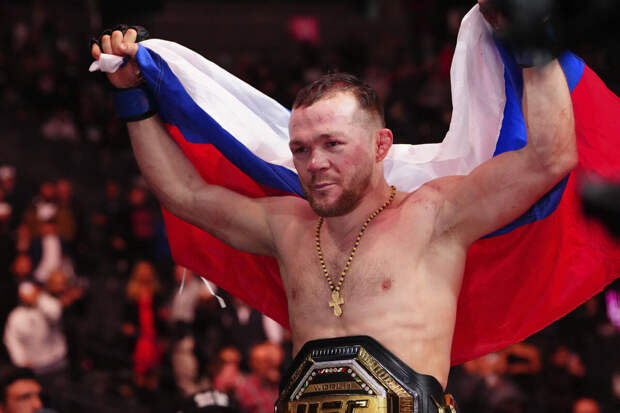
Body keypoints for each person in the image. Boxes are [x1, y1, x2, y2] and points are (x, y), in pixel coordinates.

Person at [90, 1, 579, 411]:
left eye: (332, 144)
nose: (314, 163)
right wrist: (133, 98)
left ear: (381, 145)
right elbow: (185, 194)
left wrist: (532, 38)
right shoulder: (287, 227)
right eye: (300, 149)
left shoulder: (432, 216)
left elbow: (548, 159)